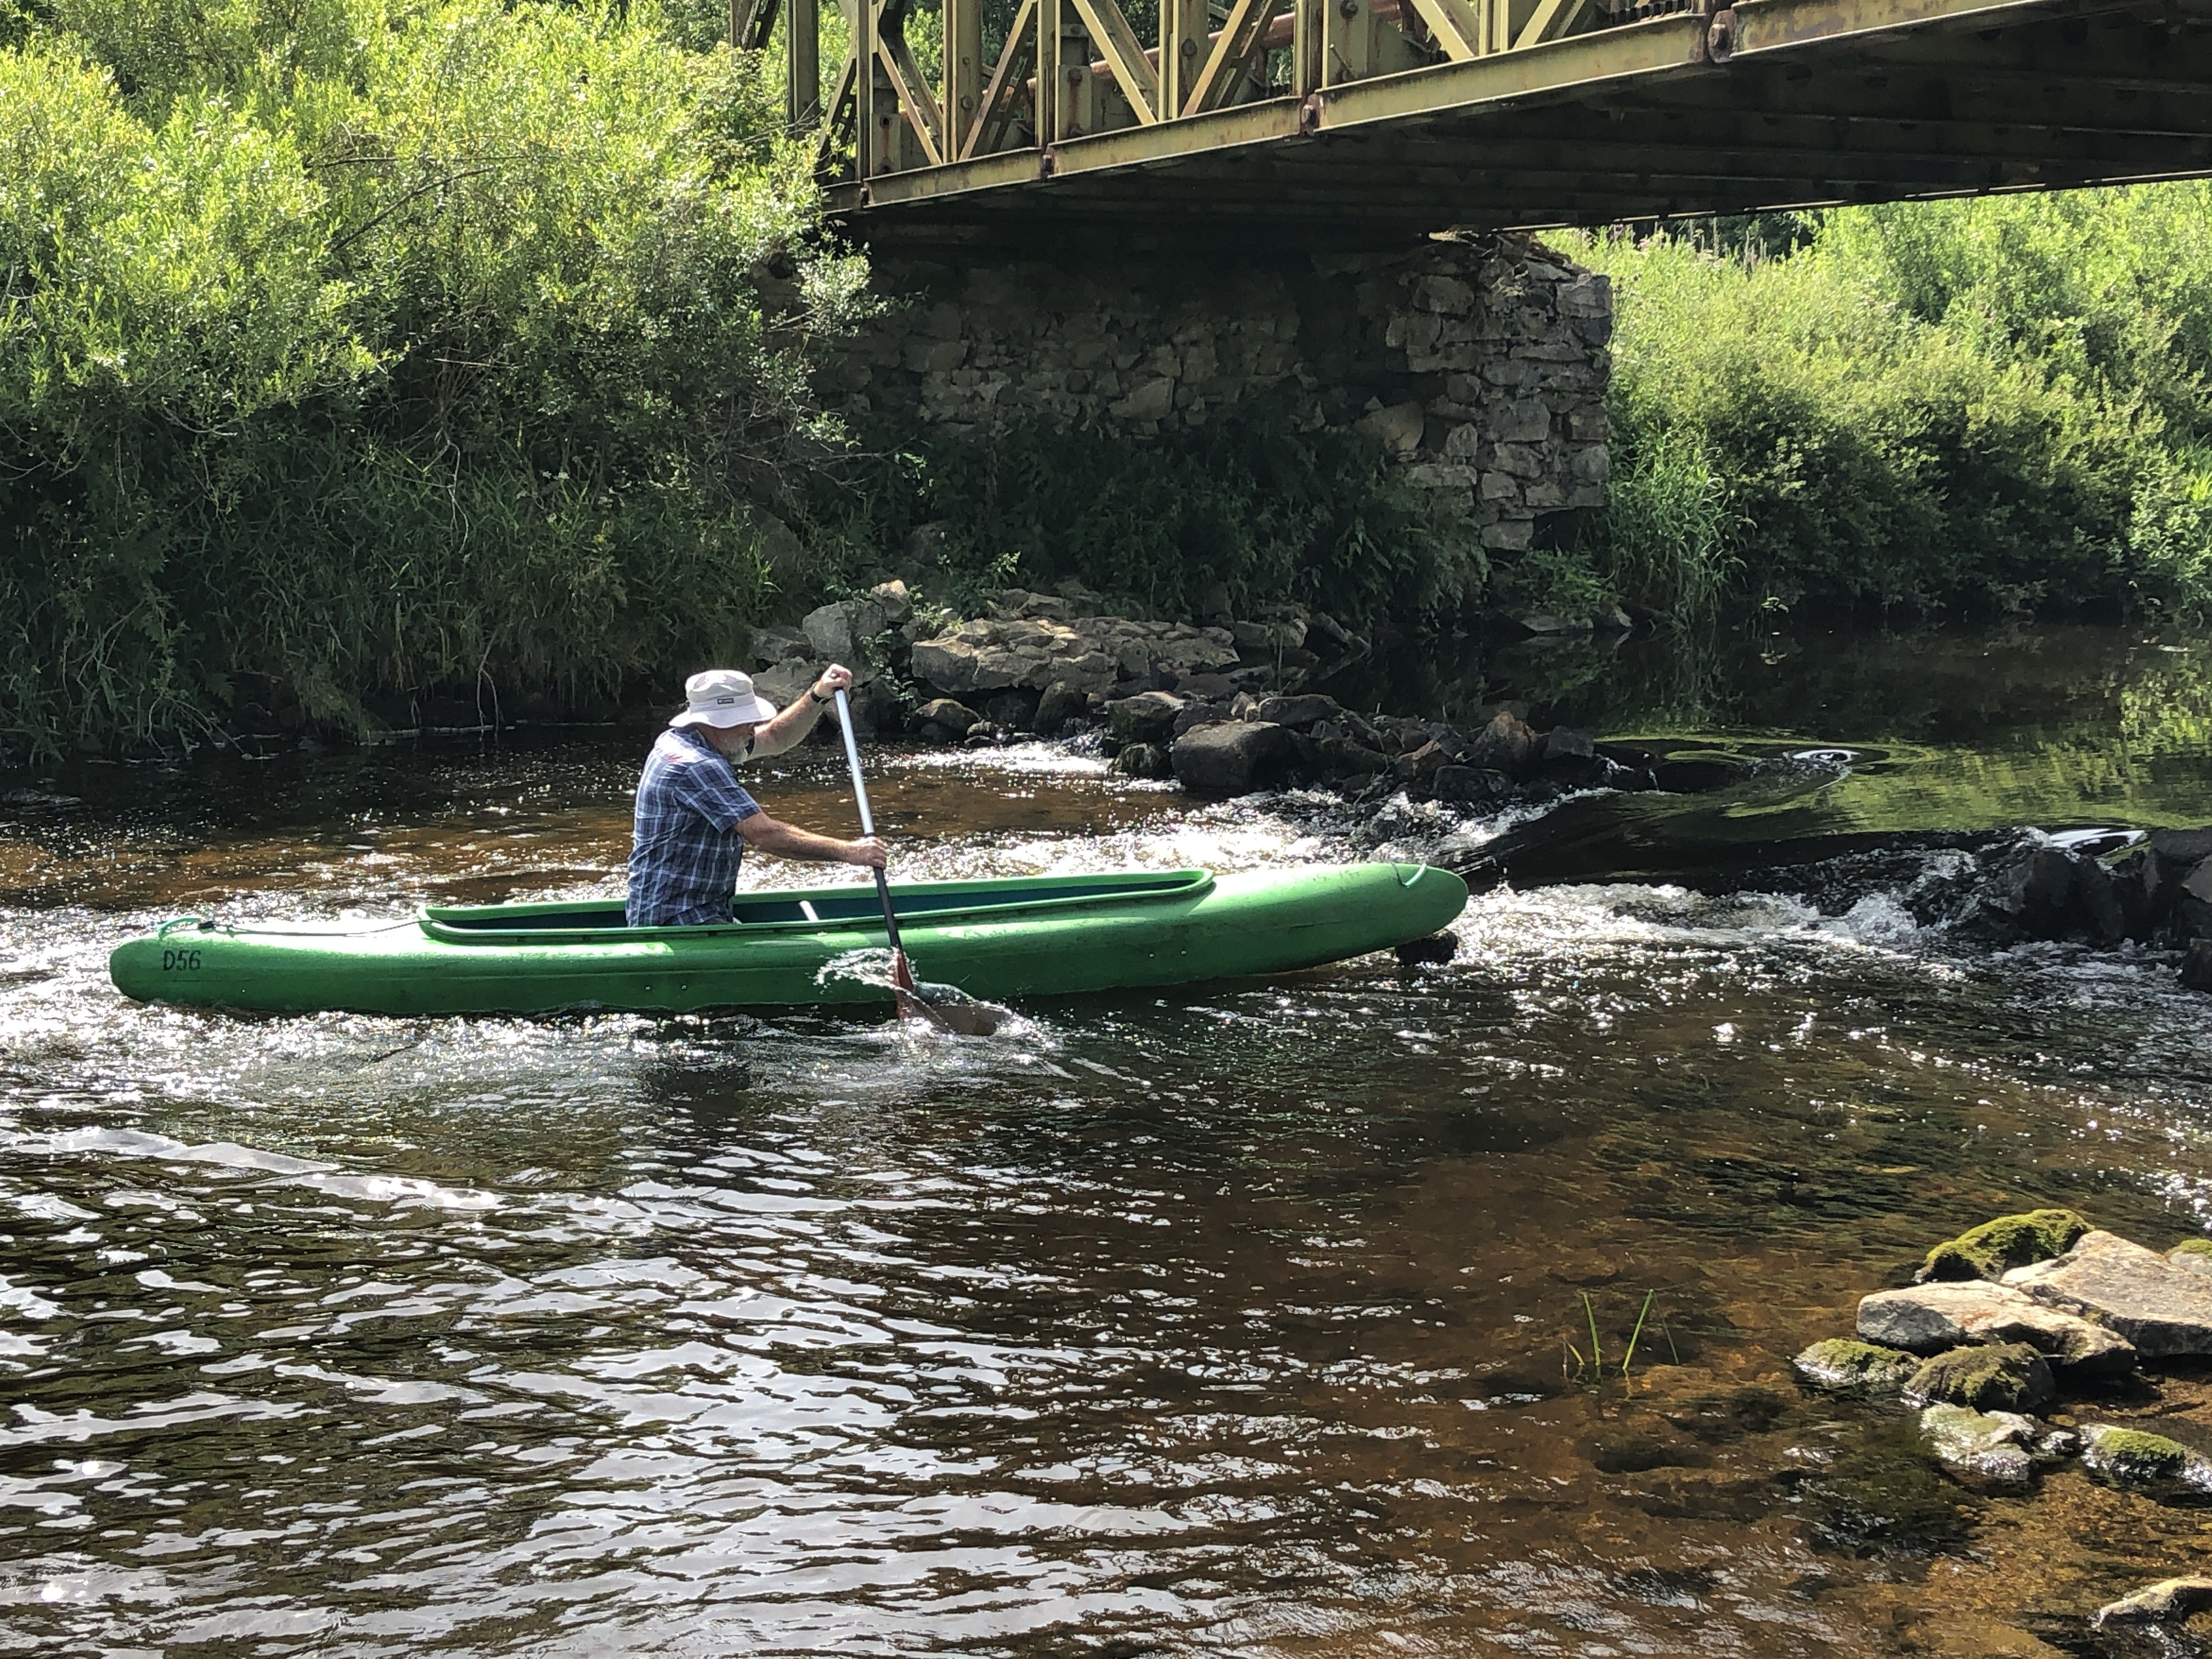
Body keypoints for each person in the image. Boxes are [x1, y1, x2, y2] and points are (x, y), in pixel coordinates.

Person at [626, 664, 888, 928]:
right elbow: (764, 835)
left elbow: (775, 737)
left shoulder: (689, 739)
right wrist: (850, 852)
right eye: (747, 720)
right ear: (718, 722)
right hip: (678, 919)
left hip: (691, 909)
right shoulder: (697, 765)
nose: (753, 728)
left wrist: (818, 695)